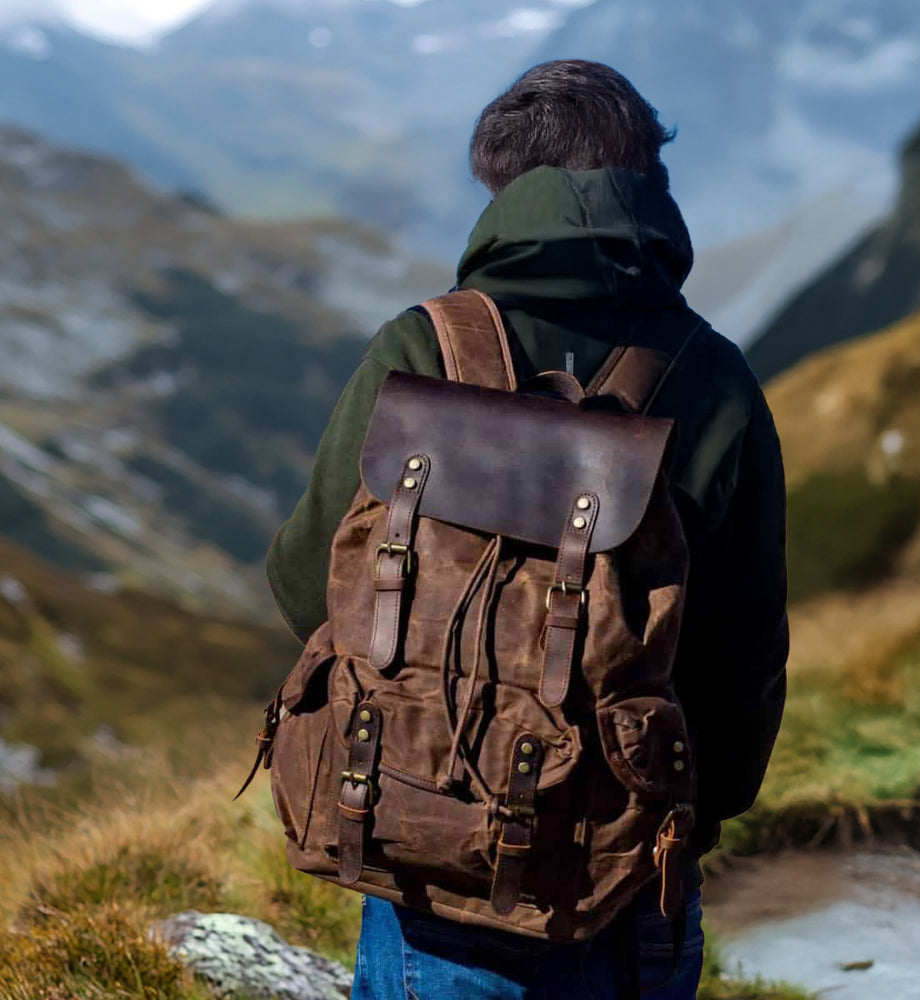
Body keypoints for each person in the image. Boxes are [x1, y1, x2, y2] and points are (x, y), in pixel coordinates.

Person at [267, 59, 788, 1000]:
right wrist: (693, 818)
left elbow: (311, 581)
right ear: (649, 187)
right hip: (633, 876)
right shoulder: (712, 378)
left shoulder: (420, 346)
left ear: (501, 187)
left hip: (431, 854)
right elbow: (742, 652)